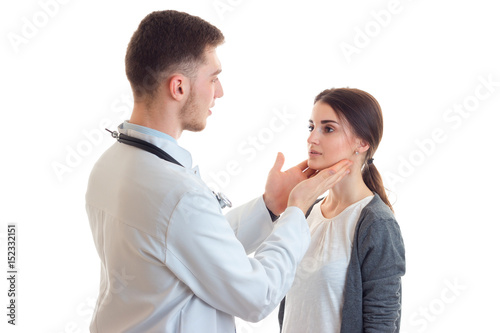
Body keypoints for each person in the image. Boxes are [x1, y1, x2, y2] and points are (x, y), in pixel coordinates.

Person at [85, 10, 352, 333]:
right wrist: (296, 212)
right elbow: (257, 296)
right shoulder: (177, 194)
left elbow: (192, 245)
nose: (220, 91)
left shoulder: (109, 165)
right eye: (213, 78)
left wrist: (270, 206)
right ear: (179, 87)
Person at [278, 88, 406, 333]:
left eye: (328, 128)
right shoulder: (305, 211)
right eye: (311, 127)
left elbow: (382, 322)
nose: (312, 138)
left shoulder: (376, 224)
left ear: (362, 142)